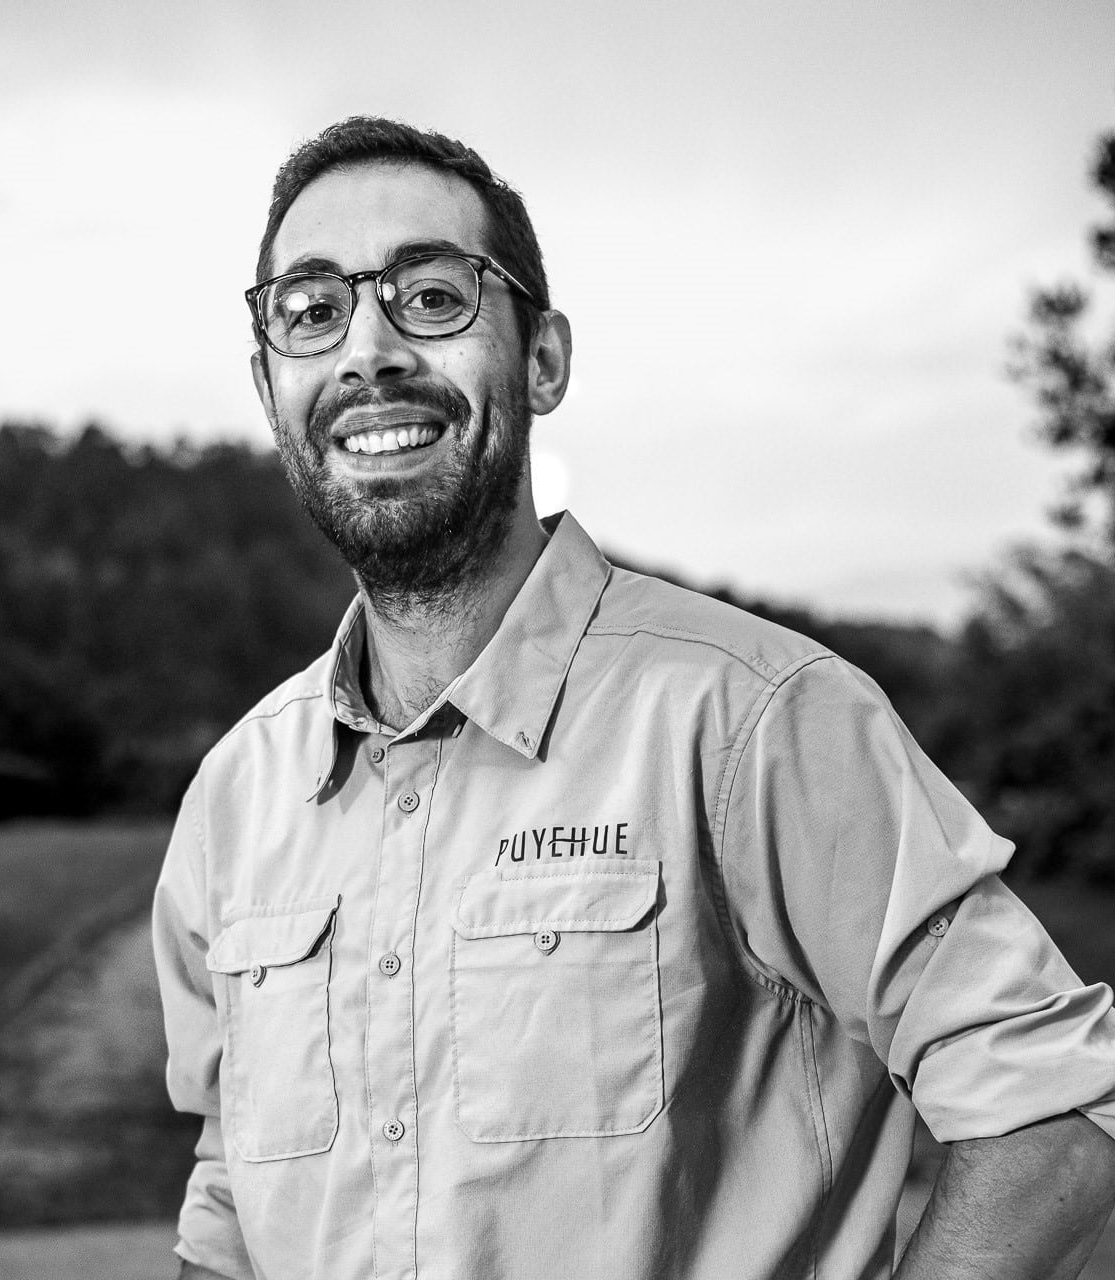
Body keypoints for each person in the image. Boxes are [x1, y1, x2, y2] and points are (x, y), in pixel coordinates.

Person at [152, 116, 1115, 1280]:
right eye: (311, 310)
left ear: (542, 360)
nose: (368, 350)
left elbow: (1054, 1109)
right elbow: (229, 1193)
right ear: (269, 384)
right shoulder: (233, 797)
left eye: (432, 296)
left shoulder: (754, 719)